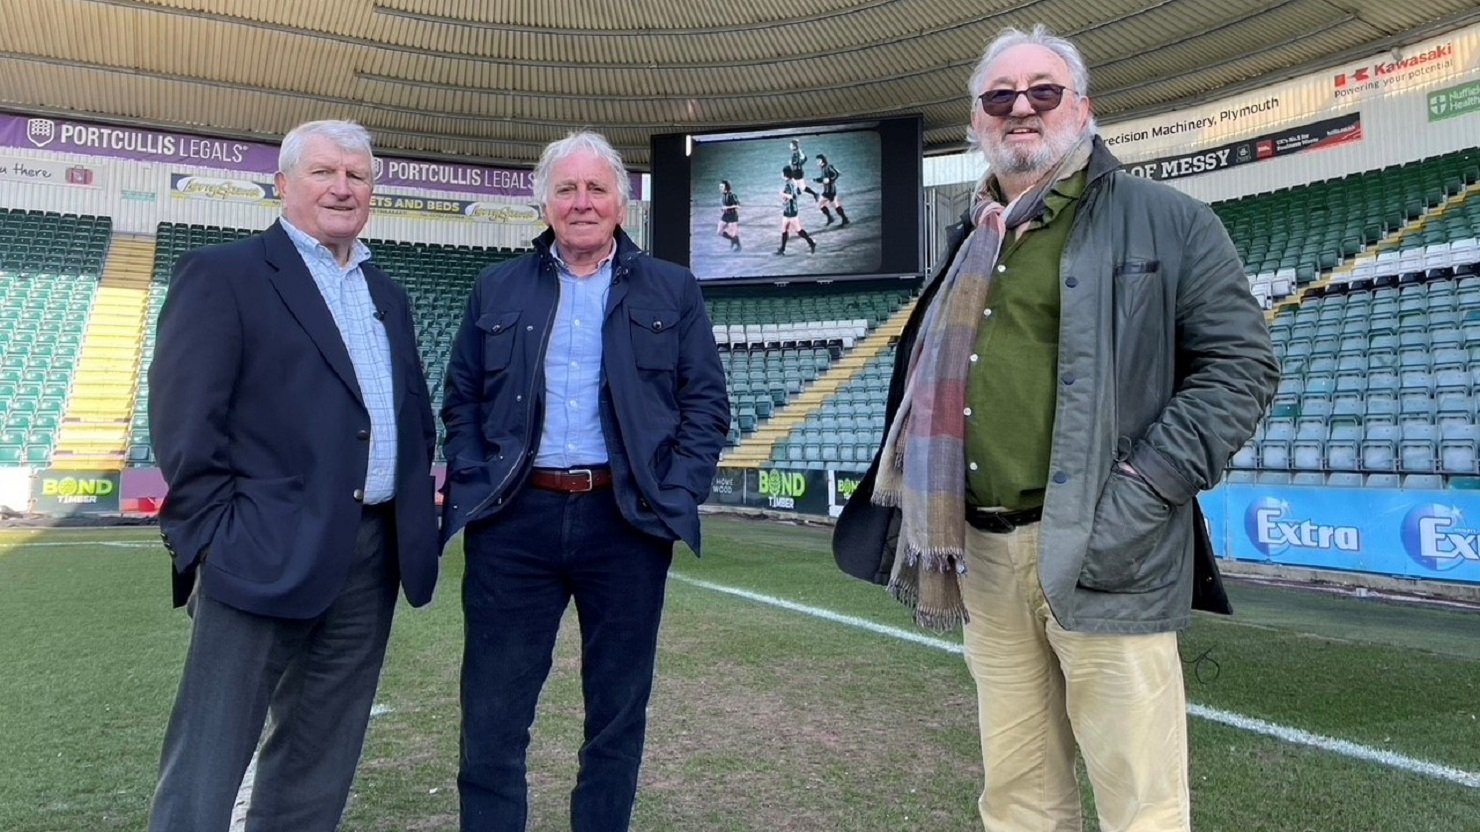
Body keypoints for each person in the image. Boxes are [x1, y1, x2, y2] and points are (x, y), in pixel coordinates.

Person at [833, 25, 1278, 832]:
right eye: (1000, 97)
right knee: (1019, 797)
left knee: (1141, 800)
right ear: (977, 121)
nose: (1020, 110)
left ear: (1084, 108)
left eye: (1043, 91)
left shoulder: (1167, 221)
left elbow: (1241, 369)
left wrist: (1142, 491)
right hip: (983, 554)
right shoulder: (975, 237)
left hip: (1107, 545)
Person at [147, 119, 440, 831]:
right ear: (283, 184)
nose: (343, 187)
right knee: (208, 762)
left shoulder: (386, 293)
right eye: (324, 172)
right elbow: (185, 424)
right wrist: (215, 538)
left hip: (371, 556)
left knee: (320, 758)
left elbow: (408, 416)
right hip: (258, 550)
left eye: (358, 175)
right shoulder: (227, 276)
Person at [441, 130, 730, 832]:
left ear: (621, 206)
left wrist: (677, 492)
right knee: (492, 716)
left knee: (616, 718)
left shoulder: (673, 288)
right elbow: (461, 400)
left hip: (625, 524)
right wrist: (478, 481)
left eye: (596, 189)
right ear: (544, 203)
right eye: (566, 189)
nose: (581, 202)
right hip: (515, 523)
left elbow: (706, 404)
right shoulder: (497, 287)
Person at [776, 166, 817, 255]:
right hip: (787, 210)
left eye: (782, 173)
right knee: (784, 230)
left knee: (799, 230)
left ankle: (811, 243)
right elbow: (798, 192)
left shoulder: (790, 184)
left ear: (785, 175)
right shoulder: (792, 182)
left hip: (792, 211)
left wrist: (782, 194)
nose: (781, 175)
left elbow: (793, 196)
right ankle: (782, 249)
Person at [812, 154, 849, 227]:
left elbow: (837, 174)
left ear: (822, 160)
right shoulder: (823, 168)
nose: (817, 162)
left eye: (818, 160)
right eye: (817, 160)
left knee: (822, 204)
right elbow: (824, 179)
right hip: (828, 191)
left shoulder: (828, 167)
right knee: (834, 205)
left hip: (830, 192)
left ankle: (832, 218)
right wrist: (817, 180)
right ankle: (843, 219)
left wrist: (830, 180)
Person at [717, 179, 742, 250]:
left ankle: (738, 246)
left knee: (733, 233)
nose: (720, 188)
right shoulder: (723, 196)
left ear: (726, 187)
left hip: (732, 216)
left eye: (722, 187)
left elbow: (738, 206)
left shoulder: (732, 195)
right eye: (720, 187)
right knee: (719, 232)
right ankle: (733, 240)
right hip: (725, 215)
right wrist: (723, 208)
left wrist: (727, 207)